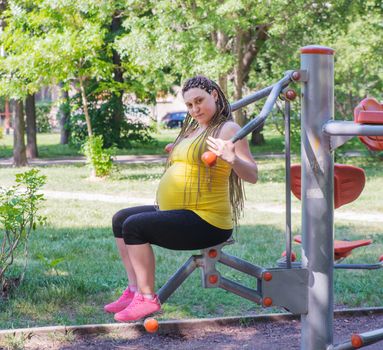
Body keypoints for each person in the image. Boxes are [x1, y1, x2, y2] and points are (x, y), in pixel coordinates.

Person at [104, 75, 258, 322]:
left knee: (135, 226)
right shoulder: (195, 128)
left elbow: (252, 174)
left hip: (208, 220)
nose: (195, 109)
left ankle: (147, 298)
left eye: (200, 101)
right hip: (181, 211)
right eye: (189, 105)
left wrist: (233, 159)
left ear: (215, 96)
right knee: (121, 219)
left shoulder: (228, 129)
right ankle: (133, 291)